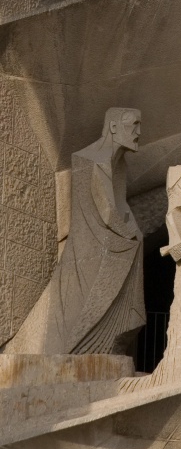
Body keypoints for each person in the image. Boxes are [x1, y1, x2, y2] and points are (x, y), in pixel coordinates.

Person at [6, 110, 144, 355]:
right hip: (92, 244)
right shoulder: (94, 158)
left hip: (104, 240)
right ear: (113, 127)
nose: (138, 132)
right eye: (134, 125)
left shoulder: (117, 162)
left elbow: (120, 206)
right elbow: (106, 209)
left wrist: (133, 232)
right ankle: (81, 345)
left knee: (136, 244)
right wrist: (129, 234)